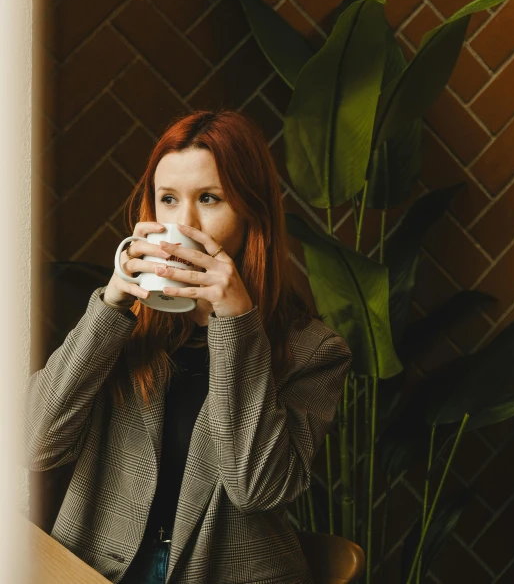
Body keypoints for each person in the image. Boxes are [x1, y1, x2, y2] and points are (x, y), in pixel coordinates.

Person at [23, 109, 352, 584]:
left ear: (251, 214)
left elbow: (254, 488)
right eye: (169, 200)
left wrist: (236, 322)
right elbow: (32, 443)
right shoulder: (123, 328)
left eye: (210, 199)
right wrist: (112, 303)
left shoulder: (315, 352)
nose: (185, 222)